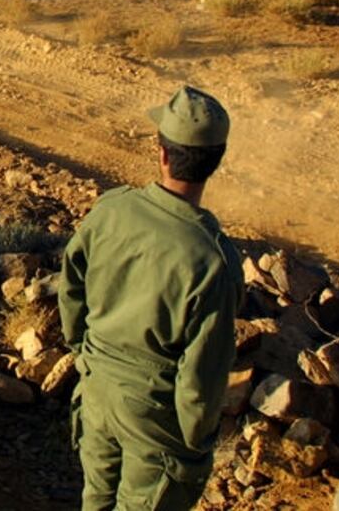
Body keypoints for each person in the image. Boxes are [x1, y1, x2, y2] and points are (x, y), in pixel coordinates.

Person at [59, 86, 242, 511]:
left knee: (96, 498)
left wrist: (82, 351)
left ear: (161, 153)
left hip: (97, 386)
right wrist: (195, 443)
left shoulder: (111, 209)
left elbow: (71, 286)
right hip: (156, 412)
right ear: (217, 161)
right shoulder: (213, 259)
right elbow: (204, 371)